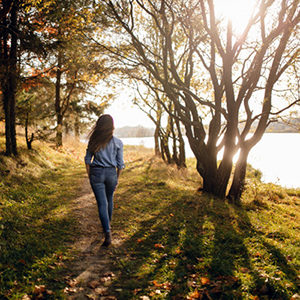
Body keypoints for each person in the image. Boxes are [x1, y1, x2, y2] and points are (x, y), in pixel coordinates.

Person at [84, 114, 125, 247]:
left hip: (96, 173)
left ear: (99, 126)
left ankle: (107, 232)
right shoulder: (118, 142)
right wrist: (116, 178)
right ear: (112, 126)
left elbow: (87, 160)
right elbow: (120, 164)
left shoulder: (93, 141)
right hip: (111, 174)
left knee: (102, 203)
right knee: (109, 200)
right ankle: (107, 228)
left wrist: (90, 175)